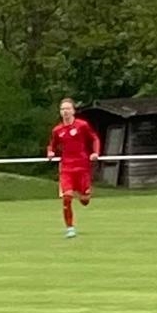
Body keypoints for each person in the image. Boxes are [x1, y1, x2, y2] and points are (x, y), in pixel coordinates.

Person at [46, 97, 103, 236]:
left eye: (68, 109)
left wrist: (95, 152)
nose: (65, 111)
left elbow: (94, 138)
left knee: (85, 201)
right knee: (67, 197)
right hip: (67, 168)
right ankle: (70, 228)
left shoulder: (82, 125)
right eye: (62, 109)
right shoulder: (57, 130)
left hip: (82, 167)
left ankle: (82, 193)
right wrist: (50, 152)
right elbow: (52, 145)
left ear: (73, 111)